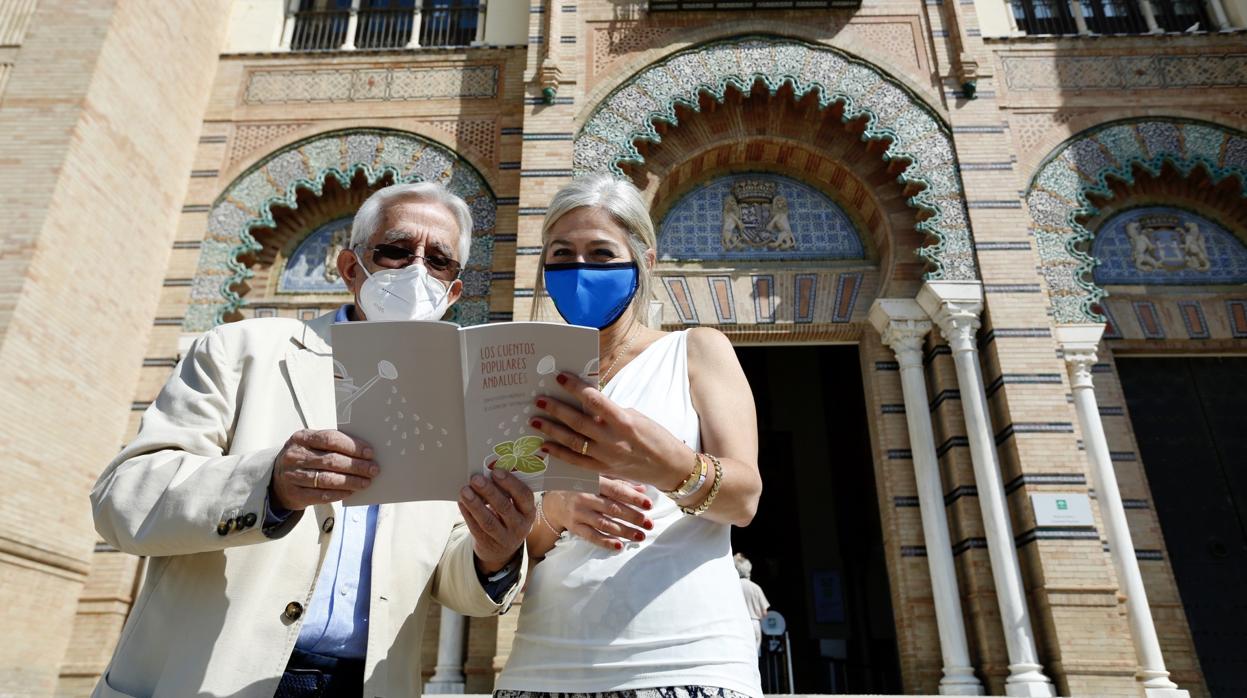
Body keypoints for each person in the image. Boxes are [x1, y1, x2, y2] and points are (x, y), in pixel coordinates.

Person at [90, 182, 534, 698]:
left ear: (454, 291)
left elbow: (447, 578)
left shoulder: (461, 399)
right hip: (209, 675)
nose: (416, 271)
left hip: (366, 684)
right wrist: (268, 484)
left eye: (438, 260)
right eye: (395, 251)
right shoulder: (243, 352)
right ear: (351, 268)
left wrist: (494, 555)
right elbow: (121, 501)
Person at [494, 175, 764, 698]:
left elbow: (744, 498)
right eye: (563, 253)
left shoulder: (694, 351)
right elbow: (511, 548)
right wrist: (557, 510)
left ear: (644, 259)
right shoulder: (521, 378)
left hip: (684, 659)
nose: (580, 269)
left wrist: (667, 466)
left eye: (601, 253)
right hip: (543, 664)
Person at [734, 553, 772, 653]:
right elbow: (764, 613)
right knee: (754, 657)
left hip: (737, 623)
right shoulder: (756, 588)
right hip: (754, 622)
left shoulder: (733, 587)